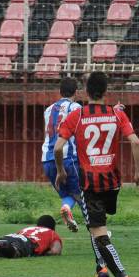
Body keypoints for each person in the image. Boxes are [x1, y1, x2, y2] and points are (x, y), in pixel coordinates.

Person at [54, 71, 139, 277]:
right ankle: (105, 271)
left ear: (85, 92)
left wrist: (61, 171)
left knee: (99, 235)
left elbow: (57, 148)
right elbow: (135, 141)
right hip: (113, 184)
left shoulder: (78, 115)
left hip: (91, 185)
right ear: (106, 92)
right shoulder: (116, 114)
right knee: (100, 231)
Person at [41, 77, 82, 232]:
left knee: (68, 193)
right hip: (67, 158)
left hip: (47, 159)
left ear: (60, 92)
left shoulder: (48, 109)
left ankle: (66, 207)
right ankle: (98, 232)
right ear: (76, 92)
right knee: (83, 195)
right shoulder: (76, 108)